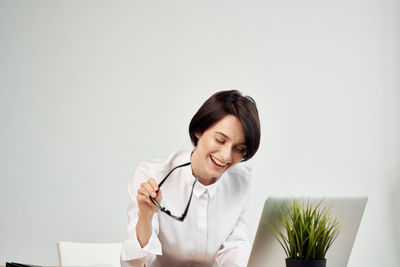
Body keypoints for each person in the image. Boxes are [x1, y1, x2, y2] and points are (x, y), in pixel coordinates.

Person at [120, 90, 261, 267]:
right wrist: (146, 216)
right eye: (219, 140)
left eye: (239, 149)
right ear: (199, 131)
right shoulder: (152, 174)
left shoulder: (242, 181)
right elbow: (136, 263)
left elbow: (233, 246)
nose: (226, 156)